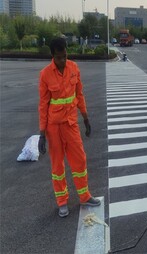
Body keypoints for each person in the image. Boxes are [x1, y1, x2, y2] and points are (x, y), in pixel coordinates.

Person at [38, 37, 100, 217]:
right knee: (57, 165)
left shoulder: (74, 68)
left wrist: (86, 119)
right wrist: (42, 133)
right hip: (54, 126)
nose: (63, 61)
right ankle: (62, 201)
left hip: (71, 123)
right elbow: (43, 105)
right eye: (59, 57)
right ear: (52, 56)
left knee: (80, 160)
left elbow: (79, 94)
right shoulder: (45, 74)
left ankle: (84, 195)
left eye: (65, 56)